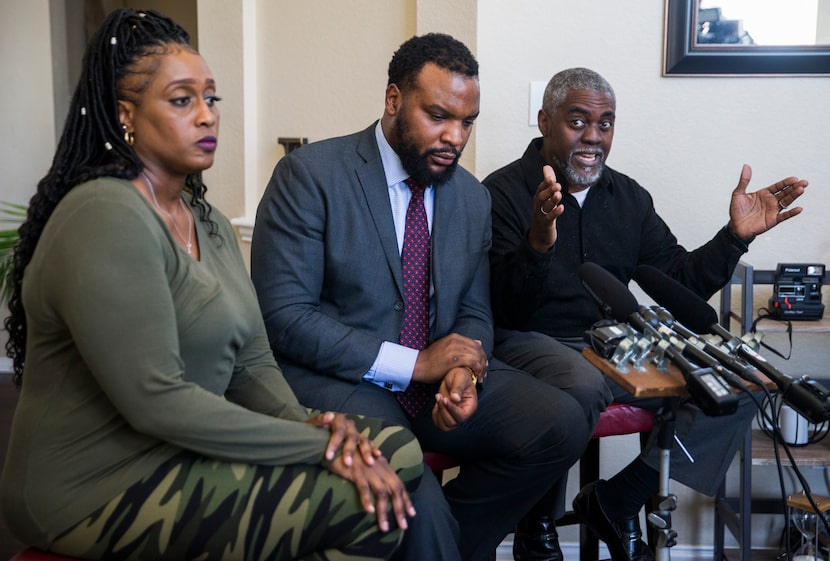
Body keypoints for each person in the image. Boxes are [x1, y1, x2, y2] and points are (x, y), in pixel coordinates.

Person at [0, 9, 422, 561]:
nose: (206, 116)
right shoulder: (103, 213)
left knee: (397, 449)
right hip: (95, 485)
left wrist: (310, 422)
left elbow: (251, 364)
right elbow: (157, 402)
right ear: (125, 114)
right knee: (366, 505)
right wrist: (317, 446)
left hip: (179, 452)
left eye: (211, 98)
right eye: (182, 100)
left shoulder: (210, 223)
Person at [250, 33, 589, 561]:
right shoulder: (310, 176)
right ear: (393, 100)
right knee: (417, 505)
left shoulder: (471, 197)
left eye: (467, 122)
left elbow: (475, 310)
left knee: (562, 422)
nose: (455, 137)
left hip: (436, 389)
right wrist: (416, 364)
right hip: (345, 381)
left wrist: (465, 371)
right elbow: (285, 318)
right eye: (438, 116)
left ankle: (439, 546)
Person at [483, 67, 808, 561]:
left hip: (613, 342)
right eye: (578, 121)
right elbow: (505, 305)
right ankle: (537, 520)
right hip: (531, 343)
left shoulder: (628, 198)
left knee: (740, 380)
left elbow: (678, 281)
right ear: (544, 121)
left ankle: (618, 500)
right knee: (581, 384)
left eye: (606, 123)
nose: (594, 136)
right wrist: (538, 241)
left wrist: (735, 237)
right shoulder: (502, 191)